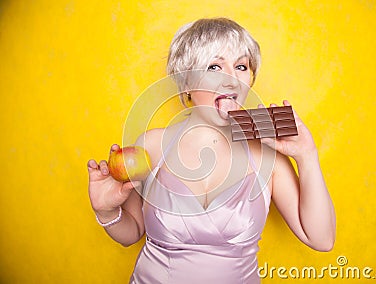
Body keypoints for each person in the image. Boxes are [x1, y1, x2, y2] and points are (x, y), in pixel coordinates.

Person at [87, 18, 336, 284]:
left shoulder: (267, 155)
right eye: (214, 66)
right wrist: (107, 213)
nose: (231, 79)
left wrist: (307, 156)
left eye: (241, 66)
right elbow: (132, 232)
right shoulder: (151, 145)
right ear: (185, 84)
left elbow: (321, 239)